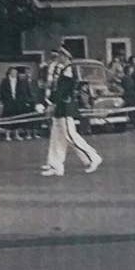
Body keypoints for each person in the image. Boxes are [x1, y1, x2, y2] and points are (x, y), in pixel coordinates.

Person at [41, 48, 102, 176]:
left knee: (70, 136)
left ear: (66, 56)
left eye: (61, 55)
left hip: (65, 107)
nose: (58, 57)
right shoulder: (62, 70)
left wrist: (54, 104)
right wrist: (50, 103)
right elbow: (56, 89)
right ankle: (55, 165)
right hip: (60, 108)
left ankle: (93, 158)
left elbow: (64, 90)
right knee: (57, 138)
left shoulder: (68, 69)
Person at [0, 66, 33, 141]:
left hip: (17, 102)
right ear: (9, 73)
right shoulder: (5, 81)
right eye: (13, 72)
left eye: (15, 72)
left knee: (17, 118)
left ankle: (16, 134)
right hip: (8, 101)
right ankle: (7, 135)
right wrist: (3, 101)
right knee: (8, 118)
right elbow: (2, 92)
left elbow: (21, 92)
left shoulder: (19, 81)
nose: (14, 74)